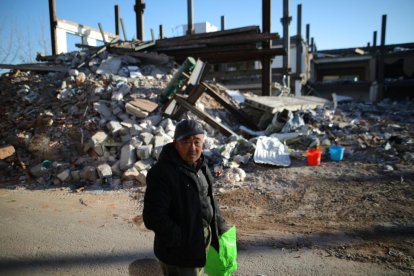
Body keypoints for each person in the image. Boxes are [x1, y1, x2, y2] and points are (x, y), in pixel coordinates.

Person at [143, 119, 228, 276]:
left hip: (201, 243)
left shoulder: (201, 167)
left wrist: (221, 227)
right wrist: (181, 239)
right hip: (179, 253)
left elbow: (209, 199)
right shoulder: (162, 173)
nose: (193, 148)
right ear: (176, 144)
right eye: (186, 142)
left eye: (197, 142)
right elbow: (153, 217)